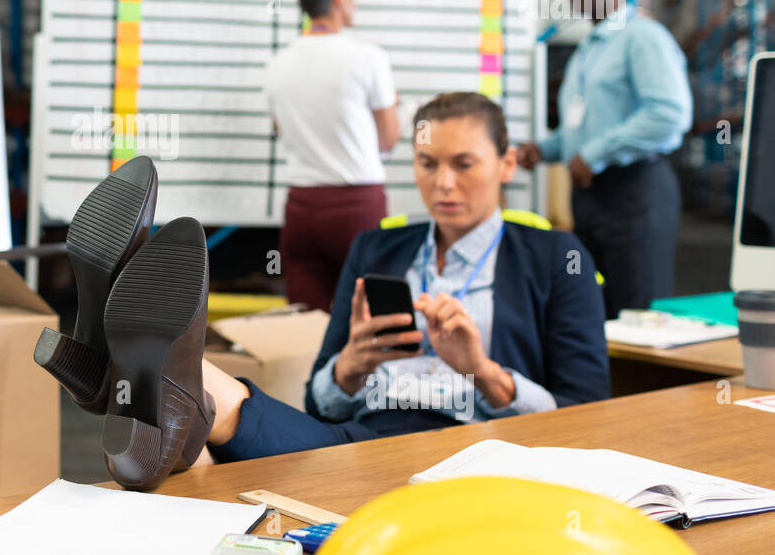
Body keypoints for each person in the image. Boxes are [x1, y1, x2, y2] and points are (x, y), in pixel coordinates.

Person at [194, 92, 609, 464]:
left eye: (464, 164)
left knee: (219, 444)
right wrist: (348, 370)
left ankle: (175, 380)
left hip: (482, 449)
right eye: (427, 164)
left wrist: (483, 372)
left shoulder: (558, 256)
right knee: (209, 447)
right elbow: (320, 406)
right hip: (368, 439)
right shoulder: (375, 249)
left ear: (507, 165)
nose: (443, 183)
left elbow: (586, 414)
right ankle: (174, 376)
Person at [517, 0, 692, 318]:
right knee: (595, 310)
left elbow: (669, 113)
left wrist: (595, 154)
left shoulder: (642, 38)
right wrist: (544, 150)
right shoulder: (588, 49)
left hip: (634, 193)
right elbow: (581, 128)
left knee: (638, 314)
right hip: (592, 198)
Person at [264, 0, 400, 312]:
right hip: (356, 206)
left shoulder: (278, 62)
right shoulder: (368, 58)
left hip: (301, 210)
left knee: (309, 326)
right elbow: (389, 139)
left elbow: (282, 131)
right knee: (376, 314)